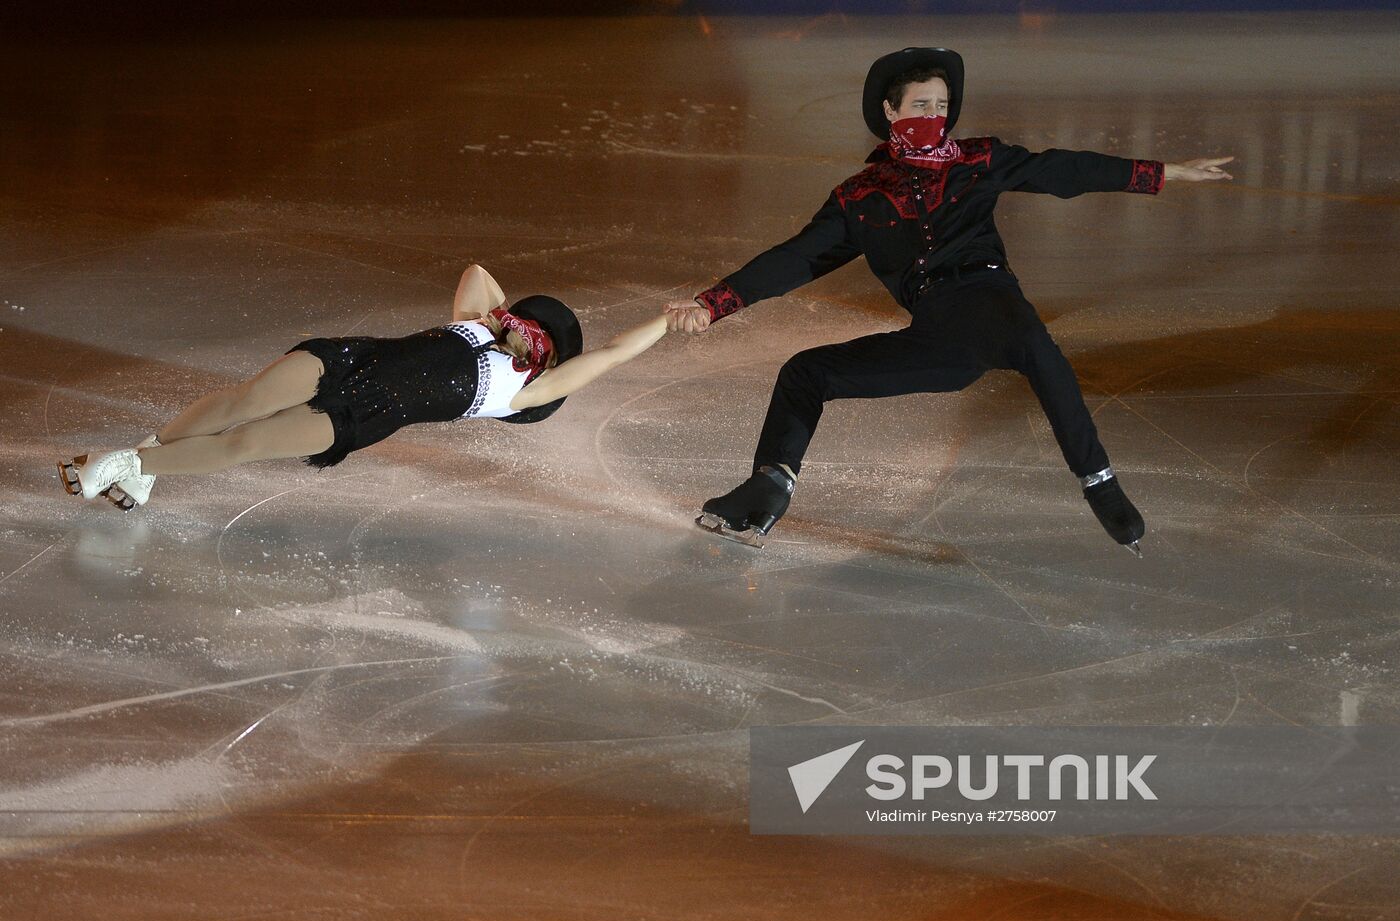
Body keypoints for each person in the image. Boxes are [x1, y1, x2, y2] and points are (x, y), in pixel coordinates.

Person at [665, 47, 1234, 556]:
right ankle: (768, 488)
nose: (933, 117)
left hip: (989, 299)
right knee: (806, 372)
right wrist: (715, 303)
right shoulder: (860, 196)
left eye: (941, 106)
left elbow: (1062, 168)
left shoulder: (977, 160)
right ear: (891, 111)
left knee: (1040, 352)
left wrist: (1163, 173)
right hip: (939, 339)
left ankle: (1102, 487)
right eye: (920, 105)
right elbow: (796, 258)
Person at [59, 265, 668, 508]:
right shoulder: (477, 321)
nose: (530, 332)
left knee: (243, 444)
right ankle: (139, 463)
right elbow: (478, 274)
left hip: (371, 410)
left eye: (543, 337)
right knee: (241, 401)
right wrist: (500, 318)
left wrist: (670, 319)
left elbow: (612, 355)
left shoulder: (521, 394)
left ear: (551, 358)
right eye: (531, 322)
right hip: (351, 359)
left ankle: (125, 463)